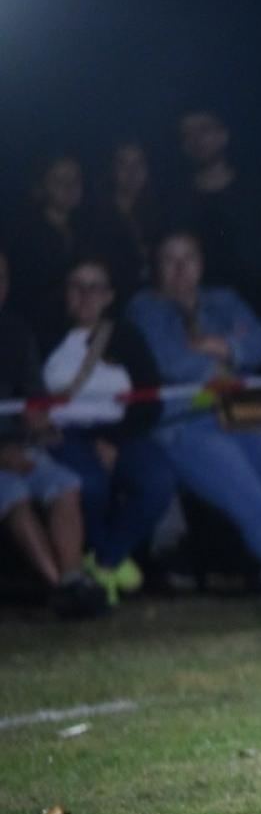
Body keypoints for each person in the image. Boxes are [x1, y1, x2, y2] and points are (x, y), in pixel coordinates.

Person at [126, 230, 261, 603]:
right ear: (156, 266)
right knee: (247, 493)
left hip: (244, 404)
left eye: (188, 258)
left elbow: (260, 342)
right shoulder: (143, 309)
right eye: (170, 260)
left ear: (201, 263)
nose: (180, 269)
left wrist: (224, 345)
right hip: (184, 417)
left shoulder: (224, 300)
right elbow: (167, 361)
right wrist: (220, 361)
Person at [41, 258, 175, 603]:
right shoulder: (43, 336)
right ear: (64, 293)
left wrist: (114, 441)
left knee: (158, 481)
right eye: (77, 286)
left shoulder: (127, 337)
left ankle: (105, 561)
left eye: (95, 287)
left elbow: (150, 400)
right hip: (65, 434)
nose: (86, 295)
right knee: (91, 485)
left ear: (109, 295)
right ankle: (106, 567)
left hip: (120, 431)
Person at [0, 249, 108, 618]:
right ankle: (60, 587)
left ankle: (73, 579)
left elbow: (32, 395)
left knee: (65, 483)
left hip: (20, 446)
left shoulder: (15, 330)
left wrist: (41, 424)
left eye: (2, 278)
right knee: (12, 492)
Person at [172, 108, 261, 366]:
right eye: (188, 134)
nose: (196, 139)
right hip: (205, 317)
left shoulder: (256, 187)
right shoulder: (178, 202)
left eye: (204, 129)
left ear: (223, 135)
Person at [9, 155, 96, 349]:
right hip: (43, 332)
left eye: (75, 180)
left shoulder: (89, 228)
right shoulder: (26, 234)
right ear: (42, 186)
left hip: (86, 329)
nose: (69, 186)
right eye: (59, 180)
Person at [92, 142, 166, 305]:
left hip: (157, 299)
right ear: (111, 169)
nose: (132, 172)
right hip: (114, 300)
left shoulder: (160, 211)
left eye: (138, 163)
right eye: (123, 164)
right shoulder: (96, 216)